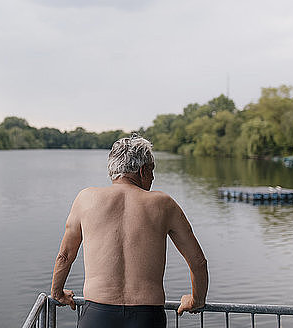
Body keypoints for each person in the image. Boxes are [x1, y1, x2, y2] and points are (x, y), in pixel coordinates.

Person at [50, 135, 208, 328]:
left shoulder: (86, 199)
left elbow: (65, 256)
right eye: (152, 171)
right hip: (147, 317)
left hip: (97, 315)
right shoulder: (164, 204)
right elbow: (198, 262)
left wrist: (57, 293)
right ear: (143, 170)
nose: (153, 177)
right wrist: (196, 300)